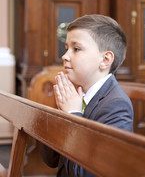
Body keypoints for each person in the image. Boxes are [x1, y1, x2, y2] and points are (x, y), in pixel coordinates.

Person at [41, 14, 133, 177]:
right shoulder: (74, 96)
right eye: (66, 48)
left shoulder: (116, 105)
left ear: (105, 59)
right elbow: (51, 159)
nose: (65, 56)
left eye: (76, 49)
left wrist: (73, 116)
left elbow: (89, 173)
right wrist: (60, 116)